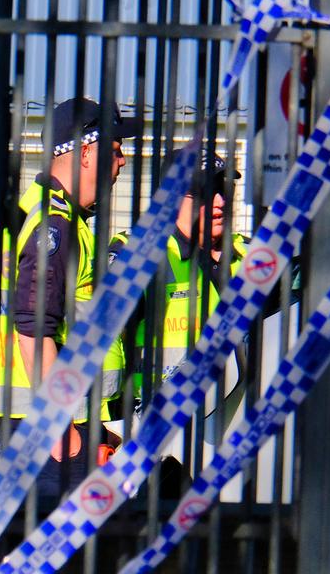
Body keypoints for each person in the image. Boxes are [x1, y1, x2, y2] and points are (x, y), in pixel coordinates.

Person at [0, 97, 140, 497]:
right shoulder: (55, 227)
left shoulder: (38, 213)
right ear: (87, 154)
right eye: (116, 150)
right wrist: (64, 432)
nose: (123, 161)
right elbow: (33, 330)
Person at [107, 148, 253, 495]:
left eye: (224, 189)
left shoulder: (248, 255)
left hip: (228, 429)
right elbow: (105, 341)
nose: (219, 202)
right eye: (205, 191)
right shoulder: (138, 254)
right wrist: (108, 425)